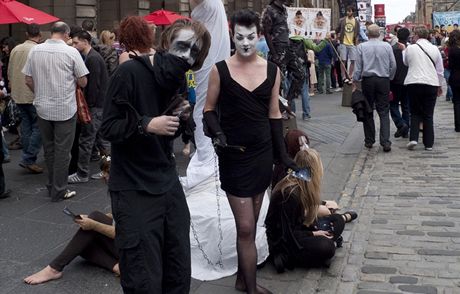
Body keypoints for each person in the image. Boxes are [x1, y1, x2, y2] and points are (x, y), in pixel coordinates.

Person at [100, 18, 210, 293]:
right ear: (165, 42)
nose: (187, 55)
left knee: (178, 266)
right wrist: (147, 124)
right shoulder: (129, 73)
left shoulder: (176, 80)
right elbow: (108, 128)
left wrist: (179, 120)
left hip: (167, 183)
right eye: (182, 46)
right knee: (143, 276)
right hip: (133, 187)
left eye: (194, 51)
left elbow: (167, 135)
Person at [203, 10, 297, 294]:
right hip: (234, 155)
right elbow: (208, 109)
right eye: (239, 37)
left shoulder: (272, 70)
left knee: (251, 225)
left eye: (251, 37)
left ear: (259, 36)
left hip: (262, 155)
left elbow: (274, 115)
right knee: (245, 227)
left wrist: (282, 154)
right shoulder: (219, 69)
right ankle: (252, 289)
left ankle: (243, 280)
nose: (245, 43)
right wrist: (217, 134)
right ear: (232, 35)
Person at [22, 22, 89, 202]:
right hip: (65, 107)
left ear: (51, 33)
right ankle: (59, 190)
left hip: (42, 106)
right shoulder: (71, 52)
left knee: (49, 149)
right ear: (67, 34)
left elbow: (27, 79)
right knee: (62, 151)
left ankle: (52, 185)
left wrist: (41, 91)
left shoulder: (35, 51)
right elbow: (83, 82)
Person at [265, 147, 357, 273]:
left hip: (300, 229)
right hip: (285, 242)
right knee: (327, 247)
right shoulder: (289, 194)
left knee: (337, 220)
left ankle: (322, 251)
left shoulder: (300, 183)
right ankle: (321, 253)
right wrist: (313, 233)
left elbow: (301, 217)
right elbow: (286, 234)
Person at [68, 30, 109, 184]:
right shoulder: (92, 57)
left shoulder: (92, 58)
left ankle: (82, 173)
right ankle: (107, 169)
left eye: (76, 42)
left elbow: (94, 86)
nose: (74, 45)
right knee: (99, 140)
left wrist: (88, 106)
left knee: (86, 140)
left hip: (95, 106)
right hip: (98, 105)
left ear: (85, 41)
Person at [353, 24, 396, 152]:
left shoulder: (361, 47)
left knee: (368, 109)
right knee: (384, 110)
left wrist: (356, 79)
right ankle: (385, 141)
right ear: (379, 34)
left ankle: (369, 140)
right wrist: (390, 77)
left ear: (368, 34)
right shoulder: (387, 46)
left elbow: (358, 66)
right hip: (383, 79)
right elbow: (393, 65)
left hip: (368, 80)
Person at [7, 23, 43, 174]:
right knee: (39, 127)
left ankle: (29, 158)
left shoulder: (15, 49)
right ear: (39, 36)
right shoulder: (37, 50)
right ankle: (28, 158)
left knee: (27, 128)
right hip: (32, 93)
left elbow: (9, 72)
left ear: (27, 34)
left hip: (18, 94)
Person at [404, 26, 444, 151]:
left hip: (414, 82)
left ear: (416, 35)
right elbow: (440, 70)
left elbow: (406, 62)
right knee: (428, 114)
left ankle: (414, 138)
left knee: (414, 112)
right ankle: (428, 144)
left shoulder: (410, 48)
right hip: (431, 82)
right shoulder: (434, 49)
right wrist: (440, 85)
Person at [263, 0, 305, 103]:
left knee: (301, 74)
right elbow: (266, 33)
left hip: (288, 47)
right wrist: (274, 54)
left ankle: (287, 102)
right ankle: (277, 107)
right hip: (277, 49)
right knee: (278, 83)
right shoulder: (269, 10)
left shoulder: (284, 10)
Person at [390, 27, 411, 139]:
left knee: (393, 105)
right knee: (406, 106)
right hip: (408, 80)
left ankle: (401, 124)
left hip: (395, 81)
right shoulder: (410, 49)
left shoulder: (392, 49)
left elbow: (390, 66)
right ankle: (405, 127)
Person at [336, 5, 359, 84]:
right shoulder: (342, 20)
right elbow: (337, 29)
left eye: (349, 11)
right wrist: (337, 37)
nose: (348, 12)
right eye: (347, 11)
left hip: (352, 43)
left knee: (353, 60)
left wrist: (356, 42)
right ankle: (343, 77)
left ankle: (350, 76)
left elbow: (357, 33)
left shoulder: (356, 22)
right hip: (343, 42)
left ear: (353, 12)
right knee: (343, 60)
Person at [447, 30, 460, 132]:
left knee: (457, 102)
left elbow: (450, 66)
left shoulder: (452, 50)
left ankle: (458, 126)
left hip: (455, 77)